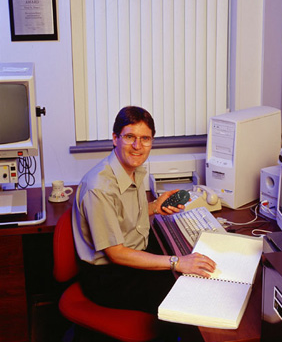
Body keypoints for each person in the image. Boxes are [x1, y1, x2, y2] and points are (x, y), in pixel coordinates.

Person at [72, 106, 216, 320]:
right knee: (187, 295)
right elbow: (116, 253)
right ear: (115, 138)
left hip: (131, 257)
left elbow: (120, 216)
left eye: (145, 138)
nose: (137, 146)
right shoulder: (99, 188)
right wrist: (178, 261)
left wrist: (154, 207)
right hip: (109, 277)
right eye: (130, 137)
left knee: (196, 276)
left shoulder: (133, 169)